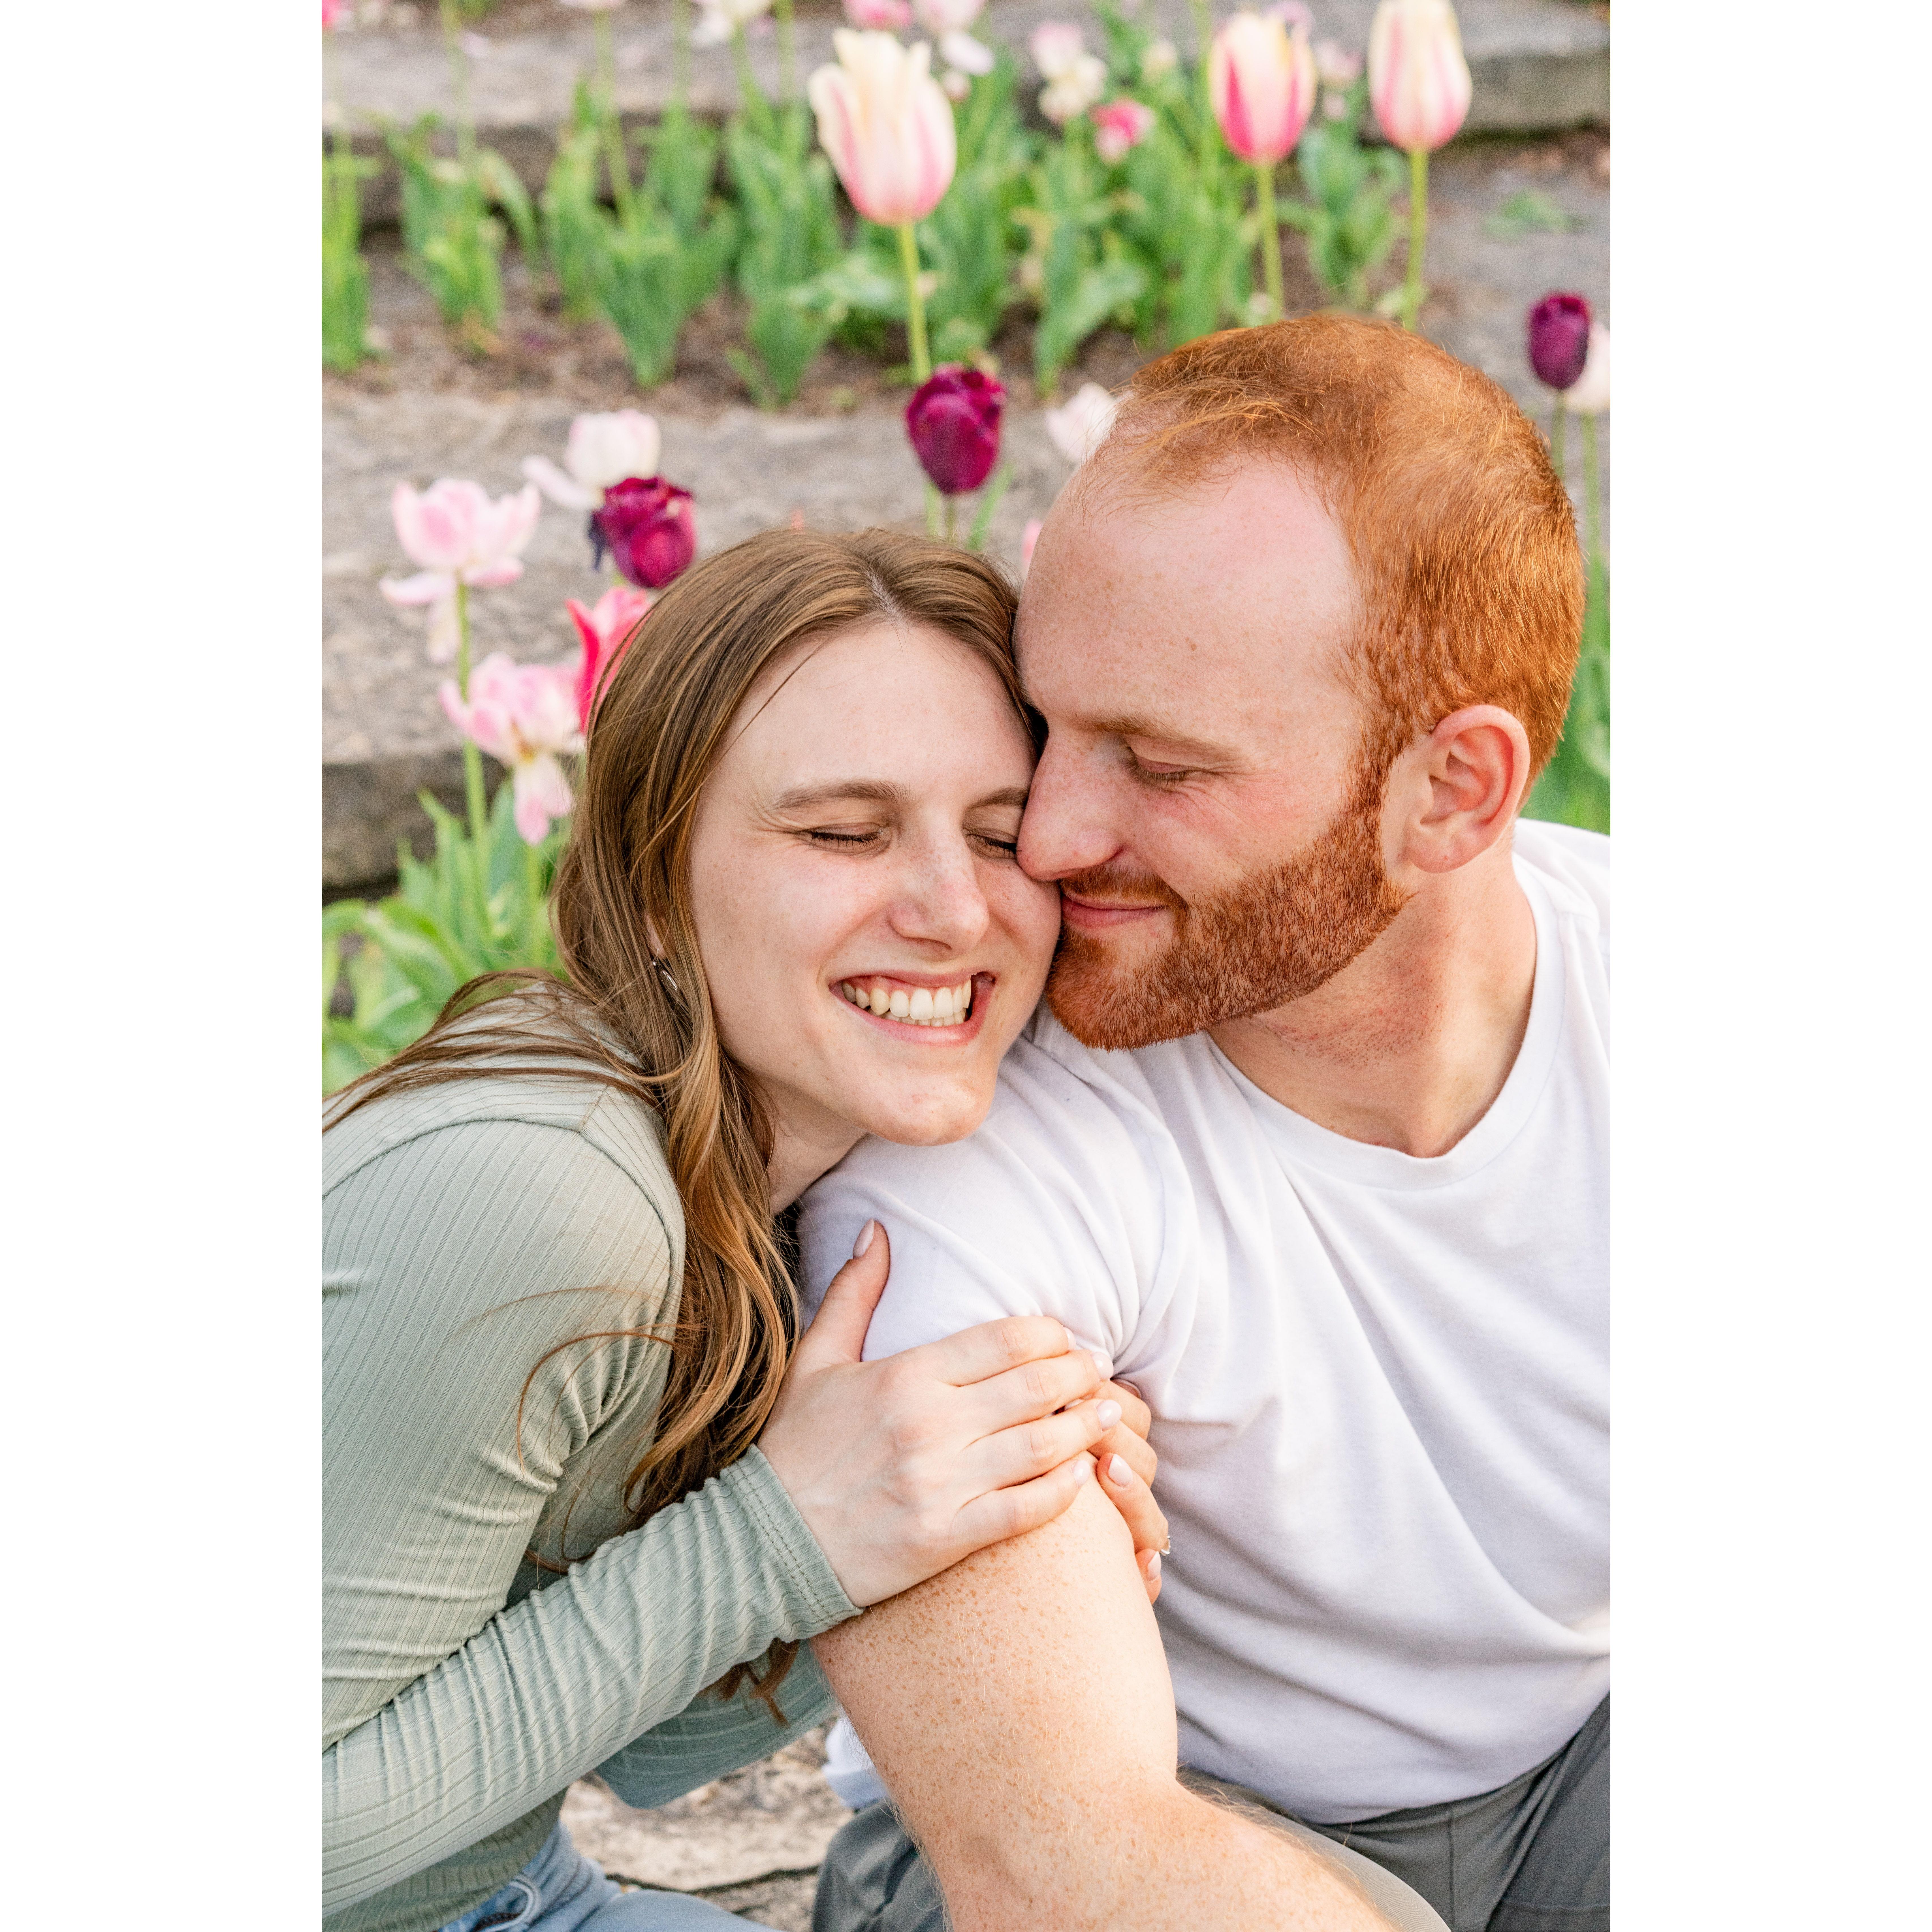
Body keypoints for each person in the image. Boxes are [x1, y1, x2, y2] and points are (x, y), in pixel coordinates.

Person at [799, 316, 1609, 1932]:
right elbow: (1067, 1863)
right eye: (1051, 725)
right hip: (1156, 1844)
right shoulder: (972, 1145)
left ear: (1450, 789)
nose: (1044, 835)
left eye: (1158, 764)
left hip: (1577, 1784)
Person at [322, 529, 1171, 1932]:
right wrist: (779, 1535)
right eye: (842, 830)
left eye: (999, 831)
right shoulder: (547, 1197)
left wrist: (934, 1511)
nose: (953, 908)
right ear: (655, 884)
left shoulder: (771, 1176)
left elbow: (647, 1747)